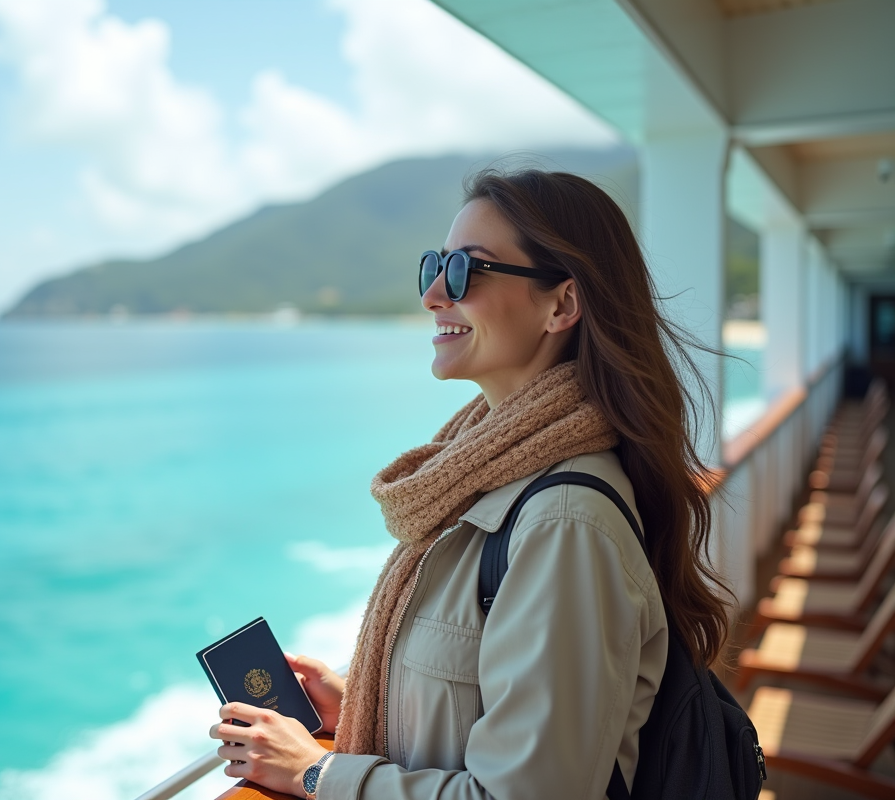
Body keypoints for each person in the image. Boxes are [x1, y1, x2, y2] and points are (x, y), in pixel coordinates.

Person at [208, 168, 732, 800]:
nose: (433, 294)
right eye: (435, 264)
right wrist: (360, 705)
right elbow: (502, 708)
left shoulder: (564, 521)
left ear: (562, 304)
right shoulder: (492, 474)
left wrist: (315, 772)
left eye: (466, 270)